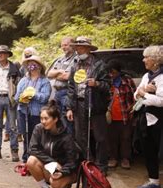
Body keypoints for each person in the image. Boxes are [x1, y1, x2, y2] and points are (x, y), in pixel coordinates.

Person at [65, 37, 110, 174]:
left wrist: (96, 84)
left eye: (82, 47)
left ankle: (101, 166)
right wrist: (69, 108)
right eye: (77, 47)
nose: (78, 50)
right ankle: (87, 163)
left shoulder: (99, 64)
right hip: (78, 103)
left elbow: (108, 86)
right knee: (80, 136)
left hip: (95, 104)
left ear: (89, 49)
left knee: (100, 137)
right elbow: (71, 87)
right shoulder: (75, 64)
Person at [27, 102, 79, 188]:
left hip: (66, 170)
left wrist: (62, 172)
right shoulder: (39, 129)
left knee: (56, 184)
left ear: (55, 119)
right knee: (31, 160)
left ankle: (65, 187)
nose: (43, 121)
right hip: (51, 166)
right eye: (41, 118)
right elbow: (32, 149)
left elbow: (73, 162)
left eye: (46, 119)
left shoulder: (66, 136)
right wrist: (52, 162)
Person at [134, 45, 163, 188]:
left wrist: (144, 94)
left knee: (161, 153)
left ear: (155, 60)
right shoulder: (146, 76)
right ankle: (153, 181)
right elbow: (136, 94)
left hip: (160, 120)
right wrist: (142, 92)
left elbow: (161, 101)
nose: (143, 59)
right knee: (149, 150)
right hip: (146, 119)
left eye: (146, 57)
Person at [15, 55, 51, 164]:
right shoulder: (23, 81)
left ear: (39, 66)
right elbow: (16, 97)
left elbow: (45, 97)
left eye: (34, 64)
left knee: (38, 138)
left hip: (37, 114)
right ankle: (26, 158)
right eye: (29, 64)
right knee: (26, 136)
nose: (32, 66)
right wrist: (22, 98)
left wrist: (33, 94)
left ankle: (37, 160)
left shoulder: (44, 81)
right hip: (24, 112)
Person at [106, 60, 136, 170]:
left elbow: (136, 95)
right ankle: (113, 158)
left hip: (125, 115)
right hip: (110, 116)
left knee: (126, 138)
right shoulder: (107, 81)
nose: (111, 75)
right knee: (111, 138)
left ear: (119, 72)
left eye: (113, 72)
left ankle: (125, 159)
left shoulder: (127, 81)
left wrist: (133, 107)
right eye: (109, 72)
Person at [47, 37, 76, 134]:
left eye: (66, 45)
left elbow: (67, 76)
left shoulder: (76, 59)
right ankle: (62, 144)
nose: (63, 47)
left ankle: (69, 146)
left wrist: (57, 75)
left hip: (67, 93)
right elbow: (49, 74)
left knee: (67, 121)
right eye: (62, 45)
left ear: (72, 45)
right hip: (57, 93)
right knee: (58, 120)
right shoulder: (60, 59)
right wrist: (59, 71)